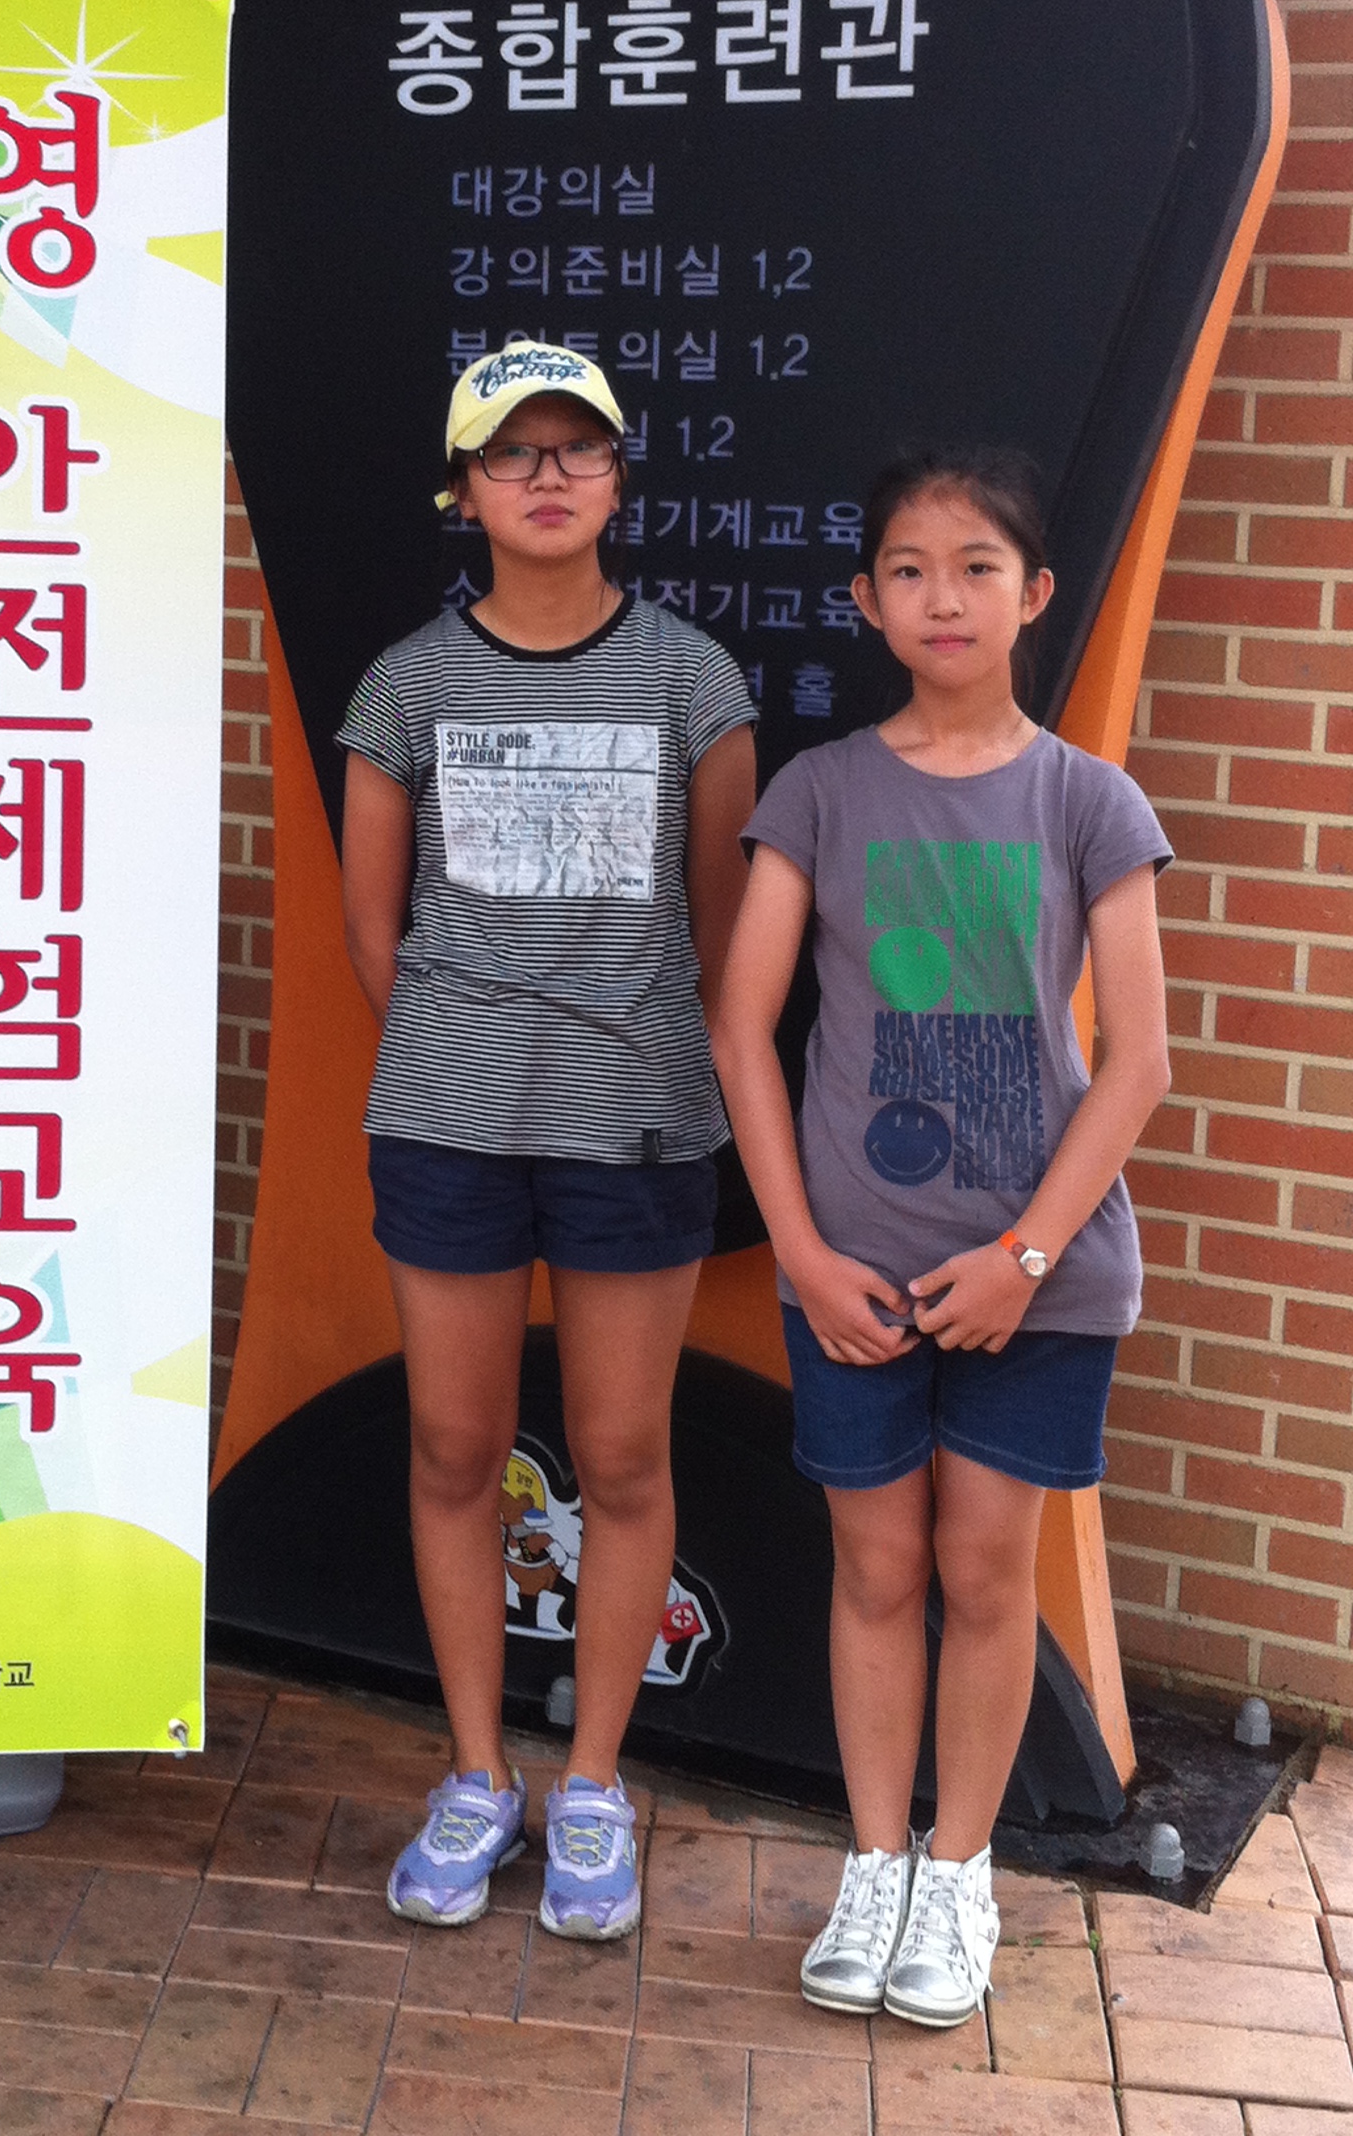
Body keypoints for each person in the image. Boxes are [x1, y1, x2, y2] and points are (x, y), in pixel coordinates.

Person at [712, 445, 1171, 2028]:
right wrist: (798, 1250)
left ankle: (958, 1871)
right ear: (867, 601)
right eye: (909, 569)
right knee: (876, 1563)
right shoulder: (821, 792)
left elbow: (1140, 1062)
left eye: (976, 567)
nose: (943, 597)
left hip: (1041, 1281)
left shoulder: (1089, 801)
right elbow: (742, 1030)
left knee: (985, 1570)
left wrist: (1024, 1258)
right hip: (854, 1274)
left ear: (1033, 594)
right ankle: (874, 1860)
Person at [338, 343, 757, 1940]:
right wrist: (475, 1045)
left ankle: (591, 1783)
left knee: (625, 1456)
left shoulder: (692, 679)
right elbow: (376, 932)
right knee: (456, 1449)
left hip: (636, 1128)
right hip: (448, 1123)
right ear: (465, 491)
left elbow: (722, 930)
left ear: (619, 479)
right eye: (512, 453)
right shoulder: (406, 686)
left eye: (579, 447)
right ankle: (474, 1772)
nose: (548, 476)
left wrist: (613, 1046)